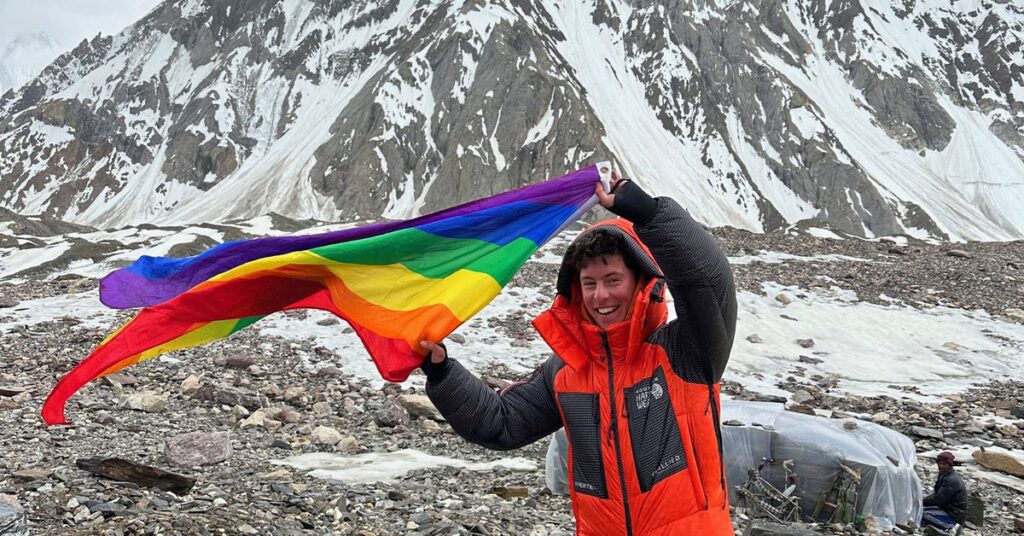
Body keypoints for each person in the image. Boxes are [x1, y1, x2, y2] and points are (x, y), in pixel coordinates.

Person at [420, 172, 737, 535]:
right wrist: (442, 372)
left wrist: (649, 214)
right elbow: (502, 423)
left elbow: (710, 280)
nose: (600, 296)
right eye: (589, 283)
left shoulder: (686, 351)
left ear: (640, 282)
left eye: (613, 280)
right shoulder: (568, 371)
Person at [921, 451, 967, 535]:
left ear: (950, 465)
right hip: (947, 509)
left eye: (944, 464)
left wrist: (920, 501)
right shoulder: (945, 475)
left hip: (953, 515)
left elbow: (938, 499)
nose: (941, 466)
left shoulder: (952, 480)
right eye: (940, 463)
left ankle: (952, 527)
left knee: (921, 513)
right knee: (922, 510)